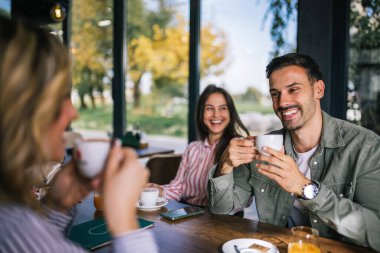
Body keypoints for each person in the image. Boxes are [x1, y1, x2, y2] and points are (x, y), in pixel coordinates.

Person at [0, 17, 157, 252]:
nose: (73, 113)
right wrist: (125, 221)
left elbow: (37, 243)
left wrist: (56, 206)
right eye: (61, 96)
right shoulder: (11, 226)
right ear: (19, 109)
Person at [208, 53, 380, 251]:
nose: (282, 102)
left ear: (318, 90)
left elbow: (376, 232)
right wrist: (225, 167)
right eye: (275, 94)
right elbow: (220, 212)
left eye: (293, 90)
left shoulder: (365, 146)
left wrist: (305, 188)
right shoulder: (265, 146)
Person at [146, 84, 250, 207]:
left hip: (221, 220)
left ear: (231, 113)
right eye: (209, 108)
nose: (216, 114)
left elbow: (244, 200)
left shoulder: (237, 149)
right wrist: (159, 191)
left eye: (223, 108)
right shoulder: (192, 148)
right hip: (188, 214)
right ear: (201, 113)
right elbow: (178, 188)